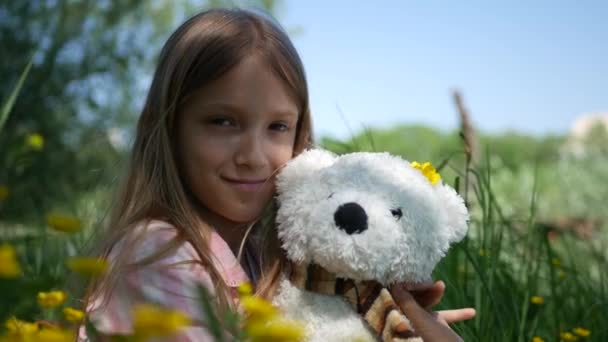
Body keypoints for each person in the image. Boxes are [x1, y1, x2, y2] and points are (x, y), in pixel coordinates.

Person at [80, 8, 475, 341]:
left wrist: (373, 322)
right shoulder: (158, 253)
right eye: (223, 121)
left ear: (300, 134)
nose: (253, 156)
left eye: (278, 127)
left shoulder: (267, 259)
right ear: (167, 129)